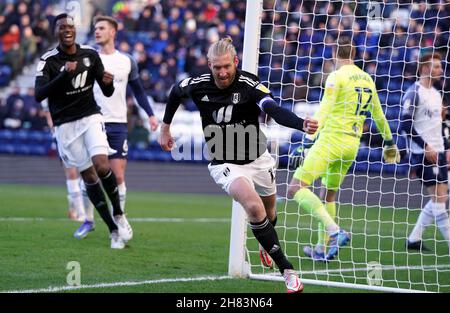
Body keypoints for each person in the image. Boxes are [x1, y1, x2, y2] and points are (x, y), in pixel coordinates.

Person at [158, 37, 319, 293]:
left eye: (226, 66)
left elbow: (273, 109)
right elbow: (176, 92)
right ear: (209, 65)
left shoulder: (250, 84)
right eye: (216, 67)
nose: (222, 73)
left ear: (235, 62)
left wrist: (301, 124)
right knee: (254, 208)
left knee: (270, 213)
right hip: (224, 162)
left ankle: (265, 244)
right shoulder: (199, 85)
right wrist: (165, 128)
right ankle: (288, 271)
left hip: (258, 158)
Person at [287, 36, 400, 262]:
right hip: (352, 145)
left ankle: (335, 231)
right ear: (354, 54)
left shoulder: (336, 76)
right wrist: (389, 142)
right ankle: (321, 248)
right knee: (327, 194)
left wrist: (308, 140)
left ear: (333, 54)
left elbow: (325, 110)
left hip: (331, 140)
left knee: (295, 188)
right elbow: (378, 115)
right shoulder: (367, 78)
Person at [34, 13, 132, 249]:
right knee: (88, 176)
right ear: (55, 32)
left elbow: (106, 92)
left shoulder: (90, 54)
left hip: (90, 117)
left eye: (71, 26)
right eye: (62, 27)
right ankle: (112, 229)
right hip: (65, 126)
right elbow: (39, 95)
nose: (67, 30)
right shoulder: (47, 61)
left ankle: (119, 214)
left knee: (102, 165)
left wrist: (107, 84)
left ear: (75, 30)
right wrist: (63, 75)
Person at [73, 15, 158, 239]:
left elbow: (138, 90)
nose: (97, 31)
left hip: (118, 124)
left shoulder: (127, 61)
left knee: (118, 175)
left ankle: (119, 218)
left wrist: (150, 114)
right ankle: (88, 220)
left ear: (113, 32)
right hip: (92, 122)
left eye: (101, 28)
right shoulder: (88, 58)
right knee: (90, 174)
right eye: (95, 28)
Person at [401, 52, 450, 253]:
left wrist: (447, 148)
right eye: (436, 66)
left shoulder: (437, 95)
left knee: (440, 198)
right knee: (439, 201)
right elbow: (404, 123)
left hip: (438, 152)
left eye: (440, 66)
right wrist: (425, 146)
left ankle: (414, 239)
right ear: (424, 68)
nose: (440, 70)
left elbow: (439, 126)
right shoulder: (415, 92)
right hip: (424, 154)